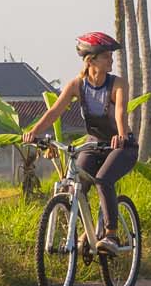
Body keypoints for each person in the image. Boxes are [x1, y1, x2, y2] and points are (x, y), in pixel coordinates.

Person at [23, 31, 136, 253]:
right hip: (94, 144)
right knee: (76, 183)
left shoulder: (118, 84)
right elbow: (54, 112)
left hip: (122, 145)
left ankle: (111, 234)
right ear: (91, 60)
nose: (111, 60)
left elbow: (121, 113)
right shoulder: (77, 85)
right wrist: (33, 132)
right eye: (106, 56)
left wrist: (121, 135)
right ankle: (90, 232)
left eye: (111, 56)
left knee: (103, 179)